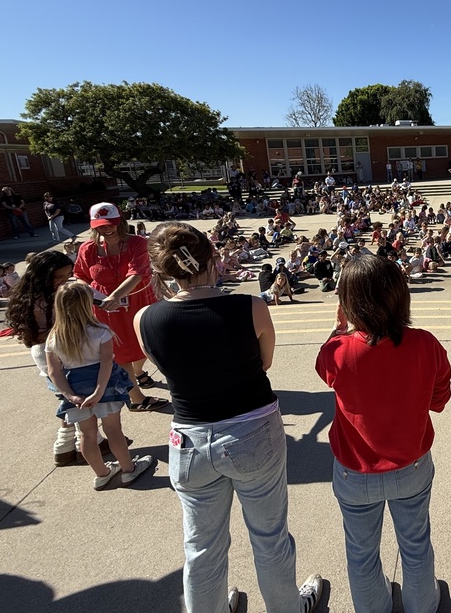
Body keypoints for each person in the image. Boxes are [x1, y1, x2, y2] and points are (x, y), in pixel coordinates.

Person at [135, 222, 323, 613]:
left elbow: (168, 369)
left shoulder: (146, 319)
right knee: (269, 537)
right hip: (251, 429)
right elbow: (264, 362)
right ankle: (287, 607)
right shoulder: (249, 306)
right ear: (211, 258)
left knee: (201, 546)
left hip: (189, 439)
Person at [316, 254, 451, 613]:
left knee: (361, 552)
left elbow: (325, 372)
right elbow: (439, 399)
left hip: (355, 469)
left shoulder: (337, 351)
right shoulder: (426, 344)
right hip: (412, 465)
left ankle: (373, 606)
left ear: (347, 304)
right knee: (416, 544)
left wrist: (338, 331)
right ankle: (422, 603)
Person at [44, 282, 154, 490]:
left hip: (74, 388)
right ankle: (128, 469)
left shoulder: (54, 336)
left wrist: (69, 395)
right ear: (87, 304)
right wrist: (99, 390)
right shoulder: (100, 331)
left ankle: (101, 474)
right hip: (105, 386)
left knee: (86, 434)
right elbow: (106, 363)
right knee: (113, 430)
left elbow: (53, 371)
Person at [73, 202, 168, 412]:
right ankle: (136, 398)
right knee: (121, 352)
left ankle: (138, 373)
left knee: (144, 345)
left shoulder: (137, 243)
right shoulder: (87, 248)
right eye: (100, 225)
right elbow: (80, 276)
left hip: (137, 300)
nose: (106, 229)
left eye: (110, 224)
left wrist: (116, 295)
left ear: (120, 222)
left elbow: (137, 272)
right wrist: (94, 295)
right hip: (106, 308)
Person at [6, 250, 87, 465]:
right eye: (58, 277)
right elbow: (32, 336)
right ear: (43, 275)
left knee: (70, 397)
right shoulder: (39, 300)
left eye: (67, 276)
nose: (63, 281)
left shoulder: (40, 296)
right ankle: (82, 443)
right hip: (54, 353)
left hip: (58, 352)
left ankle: (71, 445)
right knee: (73, 398)